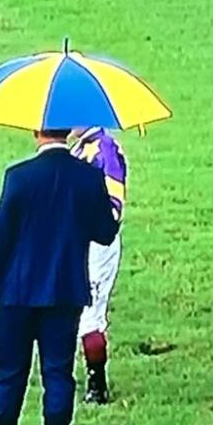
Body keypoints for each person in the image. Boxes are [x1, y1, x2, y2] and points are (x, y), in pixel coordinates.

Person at [0, 128, 119, 425]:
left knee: (8, 374)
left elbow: (0, 240)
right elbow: (106, 233)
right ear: (67, 132)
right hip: (65, 293)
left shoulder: (18, 177)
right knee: (58, 375)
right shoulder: (88, 178)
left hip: (15, 295)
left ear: (36, 131)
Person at [69, 126, 126, 404]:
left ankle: (97, 385)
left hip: (97, 247)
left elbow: (114, 208)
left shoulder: (106, 149)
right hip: (74, 243)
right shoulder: (79, 147)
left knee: (91, 313)